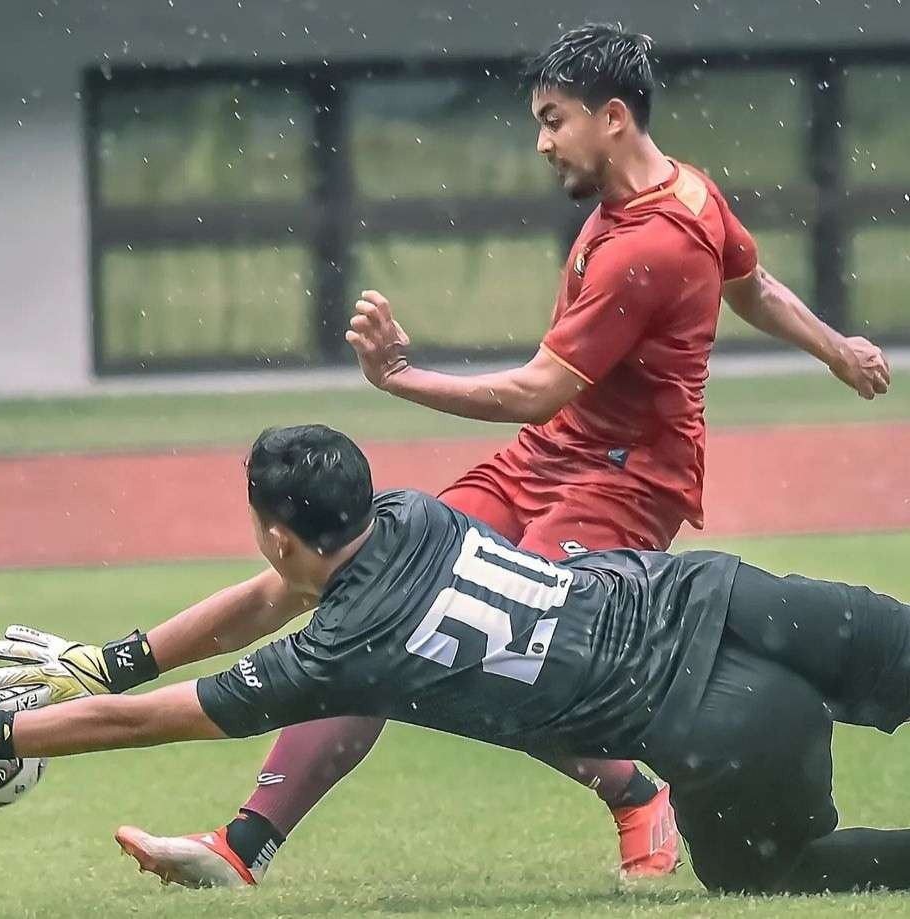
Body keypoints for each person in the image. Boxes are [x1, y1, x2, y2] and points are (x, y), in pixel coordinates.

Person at [146, 22, 892, 885]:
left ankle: (633, 794)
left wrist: (398, 377)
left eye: (554, 120)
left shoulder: (651, 245)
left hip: (623, 484)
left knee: (495, 647)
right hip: (542, 461)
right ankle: (242, 843)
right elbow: (751, 285)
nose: (540, 143)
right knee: (376, 591)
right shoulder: (683, 195)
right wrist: (836, 346)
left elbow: (538, 388)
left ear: (613, 117)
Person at [0, 424, 910, 896]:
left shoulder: (347, 650)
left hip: (710, 723)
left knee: (766, 877)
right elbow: (267, 596)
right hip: (730, 595)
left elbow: (151, 720)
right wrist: (104, 662)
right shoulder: (409, 512)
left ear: (279, 528)